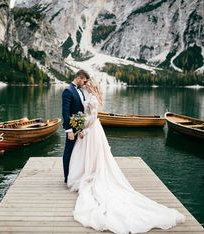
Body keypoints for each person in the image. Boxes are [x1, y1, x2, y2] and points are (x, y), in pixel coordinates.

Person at [67, 78, 185, 234]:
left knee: (94, 154)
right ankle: (88, 171)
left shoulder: (93, 99)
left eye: (89, 84)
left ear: (93, 86)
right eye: (86, 84)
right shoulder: (90, 97)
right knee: (91, 154)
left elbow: (92, 117)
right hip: (93, 129)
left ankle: (90, 173)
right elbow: (88, 114)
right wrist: (81, 123)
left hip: (92, 129)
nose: (86, 86)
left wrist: (81, 127)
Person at [62, 69, 90, 183]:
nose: (85, 84)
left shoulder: (81, 91)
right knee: (68, 151)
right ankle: (66, 177)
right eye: (84, 81)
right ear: (79, 78)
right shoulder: (68, 91)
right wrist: (68, 130)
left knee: (77, 152)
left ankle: (74, 176)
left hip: (79, 127)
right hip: (72, 129)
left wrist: (82, 127)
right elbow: (65, 113)